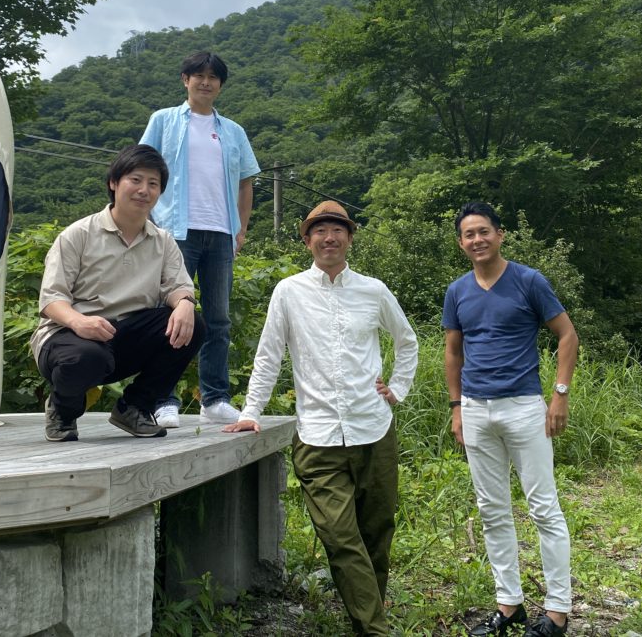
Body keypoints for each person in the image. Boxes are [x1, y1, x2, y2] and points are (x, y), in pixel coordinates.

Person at [224, 201, 419, 636]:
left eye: (337, 230)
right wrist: (250, 412)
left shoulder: (373, 290)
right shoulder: (289, 292)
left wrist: (398, 389)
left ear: (349, 238)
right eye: (319, 231)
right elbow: (269, 355)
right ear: (307, 239)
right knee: (340, 537)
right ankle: (376, 629)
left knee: (376, 533)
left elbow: (407, 342)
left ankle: (366, 616)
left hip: (374, 429)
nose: (329, 237)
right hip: (317, 436)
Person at [443, 202, 578, 637]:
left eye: (484, 231)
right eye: (469, 234)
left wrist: (559, 395)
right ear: (462, 242)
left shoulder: (528, 281)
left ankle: (557, 612)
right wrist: (456, 406)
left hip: (523, 406)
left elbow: (567, 334)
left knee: (543, 507)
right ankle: (509, 604)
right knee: (492, 510)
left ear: (500, 235)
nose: (477, 239)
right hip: (476, 410)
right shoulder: (457, 291)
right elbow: (453, 352)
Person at [30, 144, 204, 442]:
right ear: (114, 182)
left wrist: (185, 303)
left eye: (153, 184)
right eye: (135, 180)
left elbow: (177, 286)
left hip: (123, 337)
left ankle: (134, 407)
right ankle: (63, 410)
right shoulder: (78, 235)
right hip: (68, 337)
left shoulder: (161, 241)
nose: (144, 190)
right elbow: (52, 300)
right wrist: (79, 323)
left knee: (193, 324)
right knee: (85, 357)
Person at [140, 50, 261, 427]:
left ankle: (215, 399)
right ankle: (162, 399)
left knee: (219, 320)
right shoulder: (163, 121)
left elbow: (246, 182)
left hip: (221, 234)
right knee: (168, 315)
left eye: (213, 77)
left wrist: (240, 228)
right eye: (198, 75)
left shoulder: (233, 131)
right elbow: (142, 165)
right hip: (175, 231)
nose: (205, 82)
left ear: (220, 85)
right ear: (185, 80)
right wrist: (147, 221)